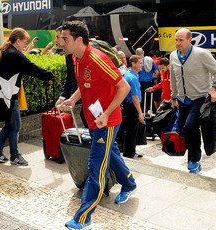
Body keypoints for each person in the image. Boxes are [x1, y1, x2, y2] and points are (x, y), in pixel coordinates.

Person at [60, 20, 137, 230]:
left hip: (107, 122)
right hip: (95, 119)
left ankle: (83, 217)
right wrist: (73, 100)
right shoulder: (77, 59)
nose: (61, 43)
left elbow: (124, 86)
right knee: (110, 155)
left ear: (78, 39)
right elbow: (85, 87)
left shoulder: (98, 59)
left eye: (65, 39)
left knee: (96, 166)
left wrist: (106, 113)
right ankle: (129, 184)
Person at [0, 27, 54, 166]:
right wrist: (49, 75)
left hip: (1, 96)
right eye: (25, 42)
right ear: (18, 41)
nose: (25, 45)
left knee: (10, 124)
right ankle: (15, 155)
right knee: (15, 125)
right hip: (7, 97)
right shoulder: (14, 54)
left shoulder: (4, 51)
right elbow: (31, 67)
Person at [170, 28, 216, 174]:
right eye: (176, 39)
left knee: (190, 127)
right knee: (187, 130)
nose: (177, 43)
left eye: (181, 40)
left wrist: (214, 89)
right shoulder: (173, 56)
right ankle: (193, 159)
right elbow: (174, 79)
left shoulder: (202, 54)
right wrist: (174, 97)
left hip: (199, 98)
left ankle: (194, 160)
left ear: (189, 40)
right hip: (182, 100)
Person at [122, 55, 145, 159]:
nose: (142, 65)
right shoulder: (132, 78)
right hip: (132, 106)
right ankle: (130, 153)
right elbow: (135, 97)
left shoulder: (128, 75)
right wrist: (140, 112)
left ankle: (130, 151)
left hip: (128, 106)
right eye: (140, 63)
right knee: (132, 130)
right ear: (133, 63)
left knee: (130, 129)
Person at [135, 47, 159, 112]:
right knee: (149, 98)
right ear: (143, 52)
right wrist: (154, 79)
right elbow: (156, 72)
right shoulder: (150, 60)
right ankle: (150, 110)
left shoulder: (137, 62)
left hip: (140, 83)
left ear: (136, 53)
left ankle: (142, 111)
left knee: (141, 97)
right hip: (150, 82)